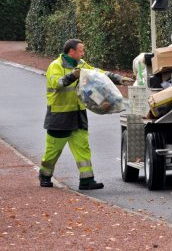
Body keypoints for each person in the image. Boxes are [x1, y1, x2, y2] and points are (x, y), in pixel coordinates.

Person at [39, 38, 131, 190]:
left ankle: (87, 180)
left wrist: (118, 78)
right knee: (53, 150)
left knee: (83, 148)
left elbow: (98, 74)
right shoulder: (55, 66)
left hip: (78, 114)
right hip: (59, 117)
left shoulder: (81, 64)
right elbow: (57, 83)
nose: (83, 53)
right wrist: (73, 76)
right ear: (71, 51)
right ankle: (45, 175)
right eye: (81, 50)